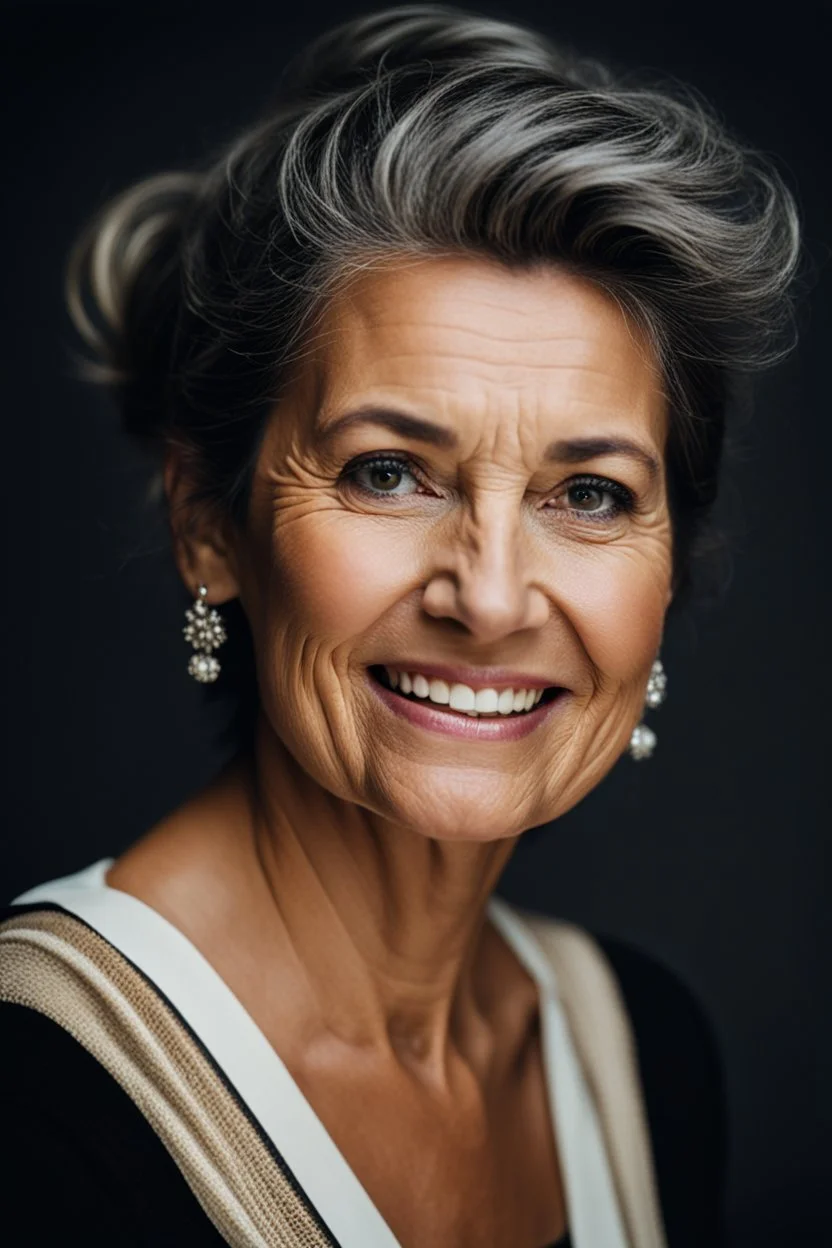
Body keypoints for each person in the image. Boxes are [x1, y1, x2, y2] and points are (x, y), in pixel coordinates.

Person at [0, 5, 801, 1246]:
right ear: (208, 521)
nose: (486, 597)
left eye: (587, 495)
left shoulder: (647, 1056)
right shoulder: (32, 1108)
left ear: (672, 572)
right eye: (388, 472)